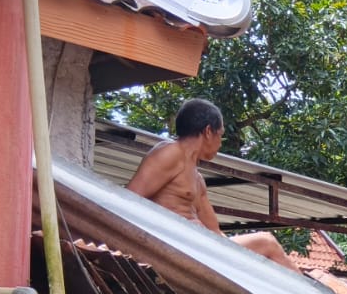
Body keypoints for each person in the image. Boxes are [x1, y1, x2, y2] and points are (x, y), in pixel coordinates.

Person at [125, 99, 301, 271]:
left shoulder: (198, 179)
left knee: (263, 251)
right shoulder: (170, 153)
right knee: (266, 242)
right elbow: (126, 201)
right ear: (208, 131)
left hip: (205, 248)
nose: (221, 143)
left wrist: (242, 256)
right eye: (221, 135)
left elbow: (215, 233)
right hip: (176, 247)